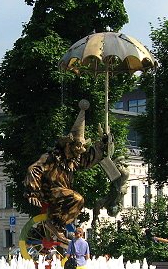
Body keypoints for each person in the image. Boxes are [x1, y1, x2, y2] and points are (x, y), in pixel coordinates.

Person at [25, 100, 113, 244]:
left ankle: (56, 225)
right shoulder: (51, 158)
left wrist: (102, 145)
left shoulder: (74, 160)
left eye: (83, 146)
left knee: (78, 202)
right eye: (79, 146)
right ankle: (53, 224)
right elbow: (33, 169)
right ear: (68, 145)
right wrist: (32, 192)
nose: (82, 150)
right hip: (50, 192)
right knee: (77, 198)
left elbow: (89, 159)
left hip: (62, 194)